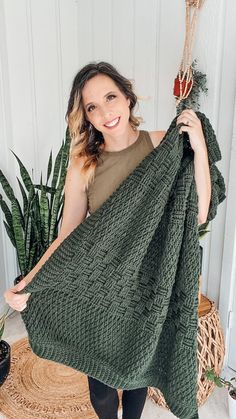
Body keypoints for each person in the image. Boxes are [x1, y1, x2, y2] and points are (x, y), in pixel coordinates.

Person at [4, 61, 211, 419]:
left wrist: (200, 147)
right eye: (92, 106)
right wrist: (29, 282)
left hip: (146, 289)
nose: (104, 111)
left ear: (128, 97)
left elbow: (199, 213)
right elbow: (67, 235)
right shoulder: (84, 164)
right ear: (86, 117)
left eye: (110, 97)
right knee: (100, 386)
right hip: (97, 289)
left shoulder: (163, 146)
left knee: (135, 377)